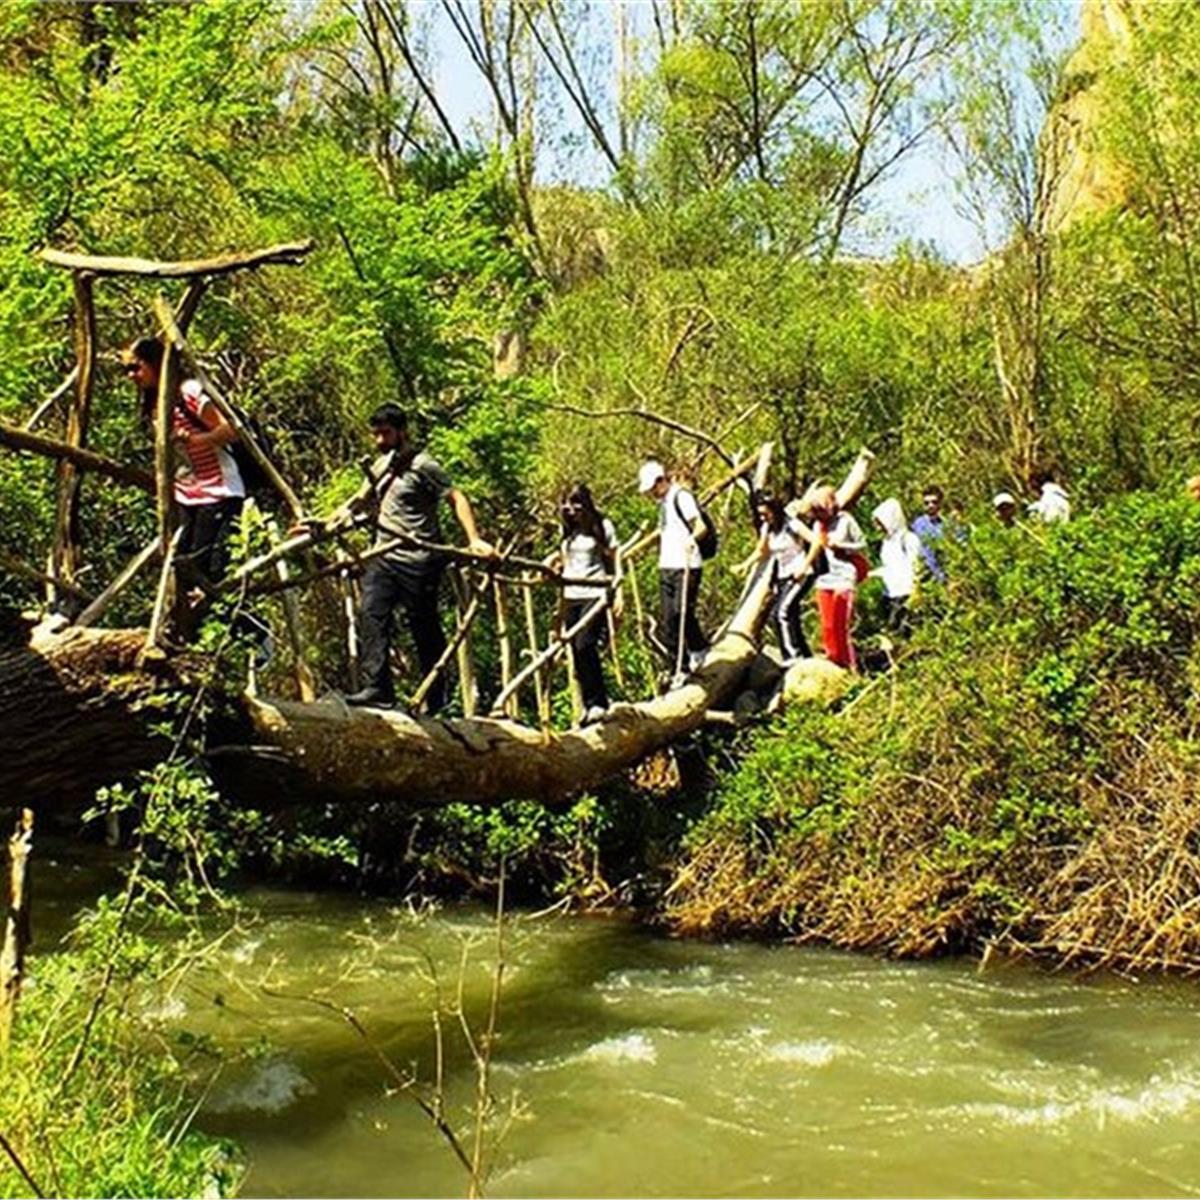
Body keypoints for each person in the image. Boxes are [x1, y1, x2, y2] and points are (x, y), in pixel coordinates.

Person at [325, 404, 492, 711]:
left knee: (423, 627)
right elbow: (358, 501)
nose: (379, 440)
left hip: (420, 558)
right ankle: (377, 689)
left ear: (402, 431)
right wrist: (324, 523)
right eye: (375, 434)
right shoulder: (379, 465)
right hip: (384, 555)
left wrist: (474, 539)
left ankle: (435, 696)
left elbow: (456, 497)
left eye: (385, 433)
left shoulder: (425, 465)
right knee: (372, 614)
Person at [123, 335, 245, 589]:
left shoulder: (187, 392)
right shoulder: (154, 403)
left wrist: (193, 439)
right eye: (126, 370)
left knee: (210, 569)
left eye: (135, 367)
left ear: (155, 363)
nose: (131, 375)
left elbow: (231, 430)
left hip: (217, 491)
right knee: (181, 567)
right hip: (185, 495)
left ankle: (230, 624)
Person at [553, 484, 622, 723]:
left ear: (585, 503)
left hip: (595, 593)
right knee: (575, 651)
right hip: (572, 595)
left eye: (575, 504)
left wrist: (618, 592)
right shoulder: (568, 532)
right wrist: (560, 615)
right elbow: (565, 565)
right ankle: (587, 703)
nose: (570, 509)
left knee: (586, 645)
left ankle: (599, 702)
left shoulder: (602, 527)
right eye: (567, 504)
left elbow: (615, 557)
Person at [638, 460, 708, 688]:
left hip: (687, 564)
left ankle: (698, 649)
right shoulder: (663, 505)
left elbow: (700, 526)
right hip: (667, 565)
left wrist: (691, 540)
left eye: (651, 488)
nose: (650, 494)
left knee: (682, 611)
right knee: (668, 619)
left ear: (661, 481)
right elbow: (664, 531)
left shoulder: (681, 497)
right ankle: (678, 667)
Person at [736, 491, 815, 663]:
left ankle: (792, 655)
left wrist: (805, 564)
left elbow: (816, 542)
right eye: (760, 515)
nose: (763, 518)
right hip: (783, 575)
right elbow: (761, 551)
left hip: (800, 574)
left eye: (765, 514)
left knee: (781, 612)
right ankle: (805, 654)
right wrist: (745, 565)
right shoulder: (767, 528)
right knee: (790, 613)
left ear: (775, 510)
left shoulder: (792, 525)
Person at [810, 485, 865, 670]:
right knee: (827, 626)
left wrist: (841, 546)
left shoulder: (846, 520)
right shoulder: (817, 525)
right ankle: (833, 661)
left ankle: (850, 666)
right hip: (825, 578)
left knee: (841, 625)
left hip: (844, 576)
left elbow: (861, 543)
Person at [870, 497, 921, 636]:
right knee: (890, 630)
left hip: (905, 593)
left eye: (880, 523)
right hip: (890, 593)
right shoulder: (886, 542)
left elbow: (916, 565)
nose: (878, 527)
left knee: (904, 631)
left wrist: (916, 592)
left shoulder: (909, 539)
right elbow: (890, 567)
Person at [911, 483, 949, 583]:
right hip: (925, 578)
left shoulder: (948, 525)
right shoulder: (917, 525)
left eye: (934, 502)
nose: (930, 505)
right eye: (926, 503)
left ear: (940, 503)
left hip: (946, 577)